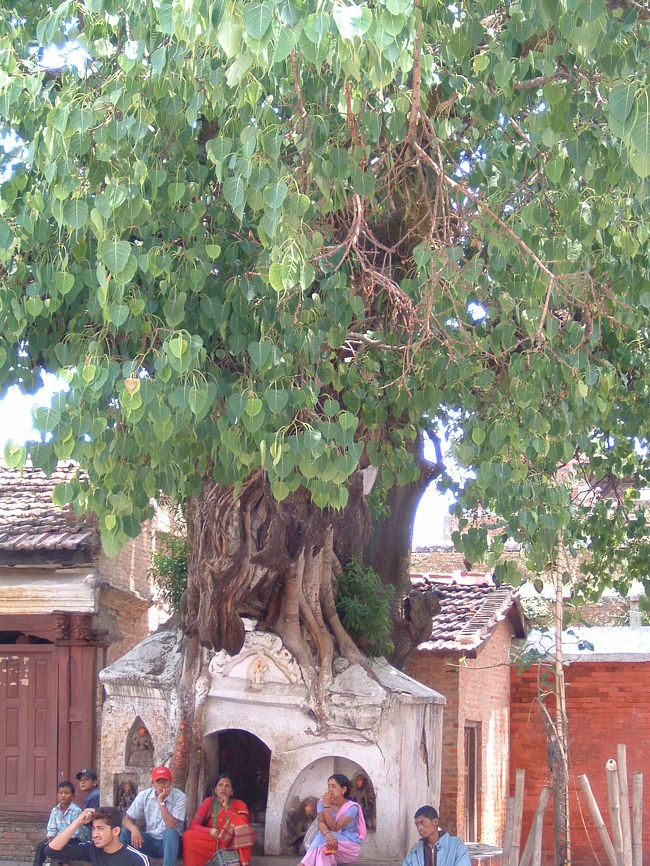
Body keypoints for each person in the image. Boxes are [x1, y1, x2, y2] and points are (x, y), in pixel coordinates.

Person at [119, 766, 186, 866]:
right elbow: (126, 820)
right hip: (150, 840)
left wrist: (161, 801)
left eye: (165, 781)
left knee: (170, 833)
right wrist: (134, 828)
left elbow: (171, 825)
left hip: (171, 844)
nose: (162, 784)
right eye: (158, 781)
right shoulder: (144, 795)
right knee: (125, 832)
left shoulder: (180, 797)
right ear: (152, 783)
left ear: (171, 781)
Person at [182, 773, 254, 866]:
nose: (223, 788)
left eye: (227, 786)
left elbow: (244, 830)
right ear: (215, 790)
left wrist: (227, 809)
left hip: (231, 844)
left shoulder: (239, 804)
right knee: (188, 835)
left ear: (232, 792)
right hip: (212, 840)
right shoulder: (209, 802)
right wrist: (210, 831)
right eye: (220, 785)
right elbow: (193, 825)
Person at [45, 805, 150, 866]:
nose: (95, 834)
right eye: (93, 829)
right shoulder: (92, 849)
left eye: (100, 828)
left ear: (115, 831)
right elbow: (51, 851)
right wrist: (77, 822)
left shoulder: (137, 859)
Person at [300, 774, 366, 866]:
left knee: (322, 837)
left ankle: (302, 864)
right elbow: (321, 823)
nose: (330, 789)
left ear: (344, 789)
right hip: (330, 844)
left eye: (333, 786)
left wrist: (327, 806)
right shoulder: (322, 803)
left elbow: (334, 828)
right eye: (329, 786)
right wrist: (327, 834)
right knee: (323, 851)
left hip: (349, 848)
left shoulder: (352, 808)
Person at [33, 780, 83, 866]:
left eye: (67, 793)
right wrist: (51, 837)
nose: (63, 795)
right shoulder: (55, 810)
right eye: (61, 793)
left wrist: (59, 839)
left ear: (73, 796)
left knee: (62, 848)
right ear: (57, 795)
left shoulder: (76, 811)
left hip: (72, 840)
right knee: (41, 846)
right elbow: (51, 827)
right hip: (56, 838)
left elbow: (75, 832)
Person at [402, 806, 471, 866]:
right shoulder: (415, 851)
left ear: (435, 822)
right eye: (417, 824)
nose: (419, 827)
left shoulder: (456, 846)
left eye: (422, 822)